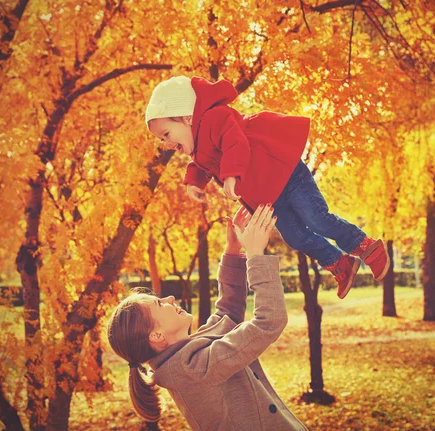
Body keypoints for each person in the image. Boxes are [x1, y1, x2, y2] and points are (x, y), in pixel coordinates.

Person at [144, 75, 390, 299]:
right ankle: (339, 263)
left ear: (186, 117)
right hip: (268, 197)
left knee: (315, 218)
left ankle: (365, 246)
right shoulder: (198, 152)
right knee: (294, 236)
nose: (166, 143)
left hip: (284, 172)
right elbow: (200, 166)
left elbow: (235, 142)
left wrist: (230, 174)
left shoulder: (216, 117)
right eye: (162, 139)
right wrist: (194, 183)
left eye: (166, 134)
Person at [107, 205, 308, 431]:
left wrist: (233, 250)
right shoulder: (190, 369)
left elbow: (227, 314)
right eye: (159, 303)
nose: (170, 298)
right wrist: (255, 255)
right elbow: (268, 322)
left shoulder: (186, 355)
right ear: (156, 335)